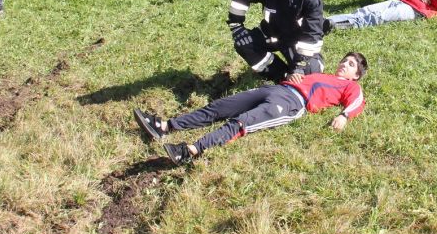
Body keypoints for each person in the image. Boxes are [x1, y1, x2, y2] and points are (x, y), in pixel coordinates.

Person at [133, 52, 368, 165]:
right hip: (277, 89)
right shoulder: (323, 75)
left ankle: (189, 151)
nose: (344, 64)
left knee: (241, 123)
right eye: (344, 60)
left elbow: (357, 102)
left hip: (292, 104)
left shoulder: (351, 87)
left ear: (356, 75)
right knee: (219, 107)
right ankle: (165, 126)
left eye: (350, 65)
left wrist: (344, 116)